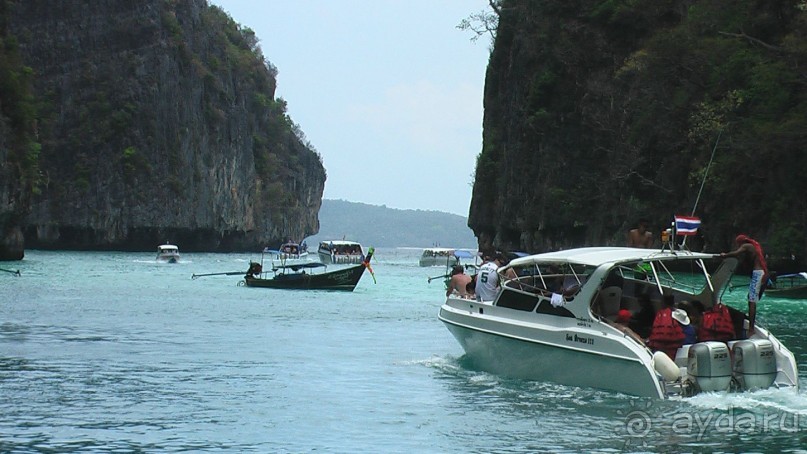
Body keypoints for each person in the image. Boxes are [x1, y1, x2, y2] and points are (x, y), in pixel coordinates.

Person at [718, 234, 768, 335]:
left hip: (757, 274)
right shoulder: (754, 246)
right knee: (752, 299)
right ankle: (751, 324)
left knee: (751, 301)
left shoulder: (746, 246)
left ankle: (751, 329)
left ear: (740, 242)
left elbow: (736, 253)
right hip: (762, 273)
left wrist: (725, 255)